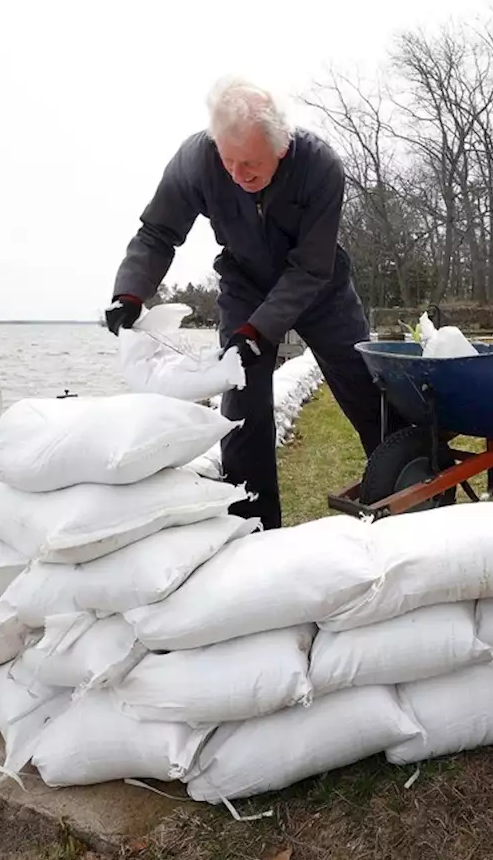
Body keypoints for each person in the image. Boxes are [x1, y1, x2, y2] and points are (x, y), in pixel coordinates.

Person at [105, 76, 387, 530]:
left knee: (365, 391)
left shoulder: (321, 168)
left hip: (319, 288)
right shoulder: (197, 159)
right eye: (228, 161)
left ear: (281, 147)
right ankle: (253, 524)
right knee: (241, 408)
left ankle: (405, 486)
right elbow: (158, 232)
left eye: (251, 164)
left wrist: (260, 330)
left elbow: (310, 269)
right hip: (245, 283)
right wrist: (130, 293)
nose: (238, 176)